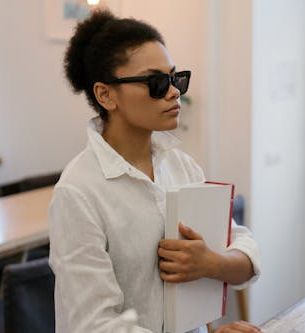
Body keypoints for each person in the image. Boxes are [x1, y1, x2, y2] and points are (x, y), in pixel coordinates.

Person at [48, 9, 261, 333]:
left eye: (176, 78)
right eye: (156, 83)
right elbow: (98, 325)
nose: (174, 91)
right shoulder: (78, 193)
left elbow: (244, 248)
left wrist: (211, 263)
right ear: (105, 94)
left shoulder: (181, 166)